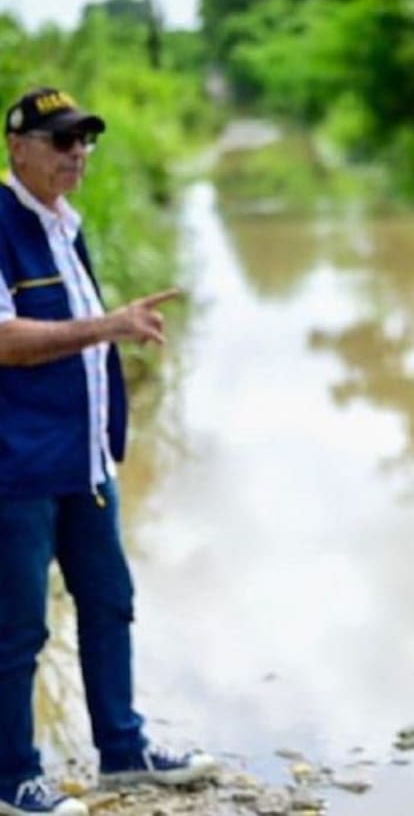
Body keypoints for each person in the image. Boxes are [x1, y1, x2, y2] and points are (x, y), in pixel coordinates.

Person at [0, 88, 217, 816]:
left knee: (109, 603)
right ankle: (12, 778)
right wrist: (107, 326)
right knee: (18, 628)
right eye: (61, 142)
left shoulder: (67, 224)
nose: (77, 155)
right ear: (17, 146)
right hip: (18, 468)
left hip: (85, 462)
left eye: (85, 141)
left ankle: (123, 754)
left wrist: (109, 332)